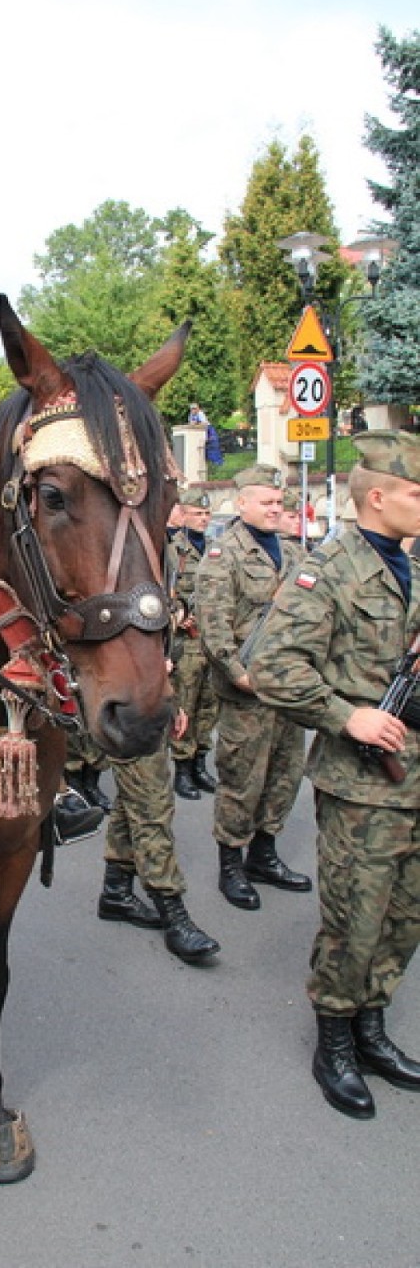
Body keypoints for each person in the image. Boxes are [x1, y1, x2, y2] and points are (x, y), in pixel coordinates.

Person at [248, 430, 420, 1120]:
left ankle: (371, 1024)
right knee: (355, 918)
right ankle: (336, 1042)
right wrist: (346, 715)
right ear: (377, 497)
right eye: (415, 491)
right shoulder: (330, 569)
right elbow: (275, 668)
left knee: (405, 918)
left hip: (413, 776)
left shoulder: (412, 567)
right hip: (360, 784)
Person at [196, 464, 312, 910]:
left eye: (278, 503)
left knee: (284, 775)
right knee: (242, 779)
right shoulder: (223, 556)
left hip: (288, 688)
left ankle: (264, 855)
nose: (274, 509)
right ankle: (231, 863)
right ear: (241, 503)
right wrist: (236, 672)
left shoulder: (294, 553)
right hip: (247, 689)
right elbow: (213, 624)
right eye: (266, 502)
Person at [98, 708, 220, 965]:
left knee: (133, 798)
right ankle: (173, 913)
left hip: (144, 708)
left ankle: (116, 891)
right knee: (150, 806)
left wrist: (169, 705)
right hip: (123, 711)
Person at [168, 486, 219, 799]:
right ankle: (183, 769)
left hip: (211, 641)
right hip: (185, 641)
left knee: (208, 705)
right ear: (182, 513)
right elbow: (165, 589)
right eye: (197, 513)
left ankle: (201, 763)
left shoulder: (215, 548)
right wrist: (178, 614)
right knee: (185, 702)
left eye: (206, 513)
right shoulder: (173, 547)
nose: (203, 519)